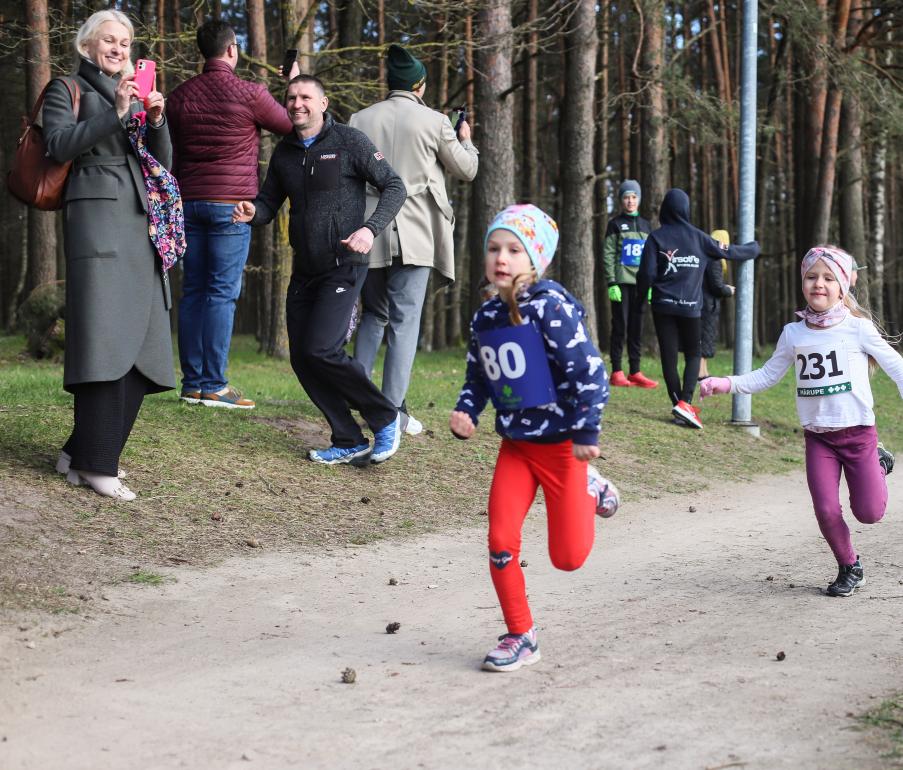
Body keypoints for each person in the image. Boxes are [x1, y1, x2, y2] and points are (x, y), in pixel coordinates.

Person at [697, 246, 903, 597]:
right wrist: (725, 384)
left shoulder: (858, 328)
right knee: (825, 509)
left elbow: (895, 363)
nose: (818, 284)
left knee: (869, 513)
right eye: (811, 277)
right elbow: (767, 375)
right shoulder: (793, 334)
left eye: (827, 277)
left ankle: (879, 464)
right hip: (818, 439)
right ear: (802, 283)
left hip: (858, 435)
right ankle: (850, 567)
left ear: (842, 286)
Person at [449, 205, 616, 672]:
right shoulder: (485, 315)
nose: (501, 257)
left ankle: (591, 486)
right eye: (494, 248)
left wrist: (586, 430)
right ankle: (521, 634)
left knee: (568, 559)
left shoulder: (550, 307)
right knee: (500, 540)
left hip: (565, 450)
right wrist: (467, 410)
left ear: (535, 259)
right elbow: (478, 374)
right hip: (517, 448)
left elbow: (591, 373)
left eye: (514, 249)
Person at [232, 75, 407, 466]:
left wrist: (369, 229)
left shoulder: (349, 142)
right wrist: (252, 213)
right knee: (302, 357)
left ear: (323, 103)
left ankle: (384, 417)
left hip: (344, 264)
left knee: (322, 348)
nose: (297, 104)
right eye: (291, 98)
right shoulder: (285, 153)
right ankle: (346, 437)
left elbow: (394, 186)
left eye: (306, 97)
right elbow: (268, 203)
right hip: (305, 270)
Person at [44, 10, 180, 501]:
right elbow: (58, 145)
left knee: (146, 345)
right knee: (104, 343)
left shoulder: (134, 93)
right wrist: (116, 113)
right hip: (99, 229)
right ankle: (99, 465)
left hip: (144, 228)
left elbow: (161, 164)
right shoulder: (67, 89)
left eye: (125, 42)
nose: (119, 49)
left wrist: (157, 117)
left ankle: (78, 456)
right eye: (108, 41)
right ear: (87, 46)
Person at [348, 45, 479, 436]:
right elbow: (467, 170)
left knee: (372, 316)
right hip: (417, 234)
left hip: (369, 230)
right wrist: (466, 139)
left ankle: (358, 399)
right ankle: (391, 414)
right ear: (420, 85)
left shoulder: (359, 118)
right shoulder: (436, 121)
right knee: (405, 322)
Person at [167, 20, 297, 410]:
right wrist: (291, 85)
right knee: (221, 294)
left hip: (188, 203)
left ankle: (192, 384)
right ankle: (215, 385)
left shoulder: (178, 97)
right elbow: (293, 126)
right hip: (231, 207)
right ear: (232, 50)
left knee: (193, 292)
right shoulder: (251, 94)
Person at [637, 189, 759, 428]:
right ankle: (685, 403)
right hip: (690, 309)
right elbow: (731, 251)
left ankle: (678, 405)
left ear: (664, 210)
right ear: (686, 210)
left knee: (669, 359)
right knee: (694, 354)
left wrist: (638, 304)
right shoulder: (700, 238)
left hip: (662, 306)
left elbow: (645, 274)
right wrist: (753, 248)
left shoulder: (656, 237)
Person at [602, 180, 657, 388]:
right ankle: (617, 371)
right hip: (621, 283)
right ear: (620, 200)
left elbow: (651, 257)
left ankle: (635, 371)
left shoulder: (646, 225)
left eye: (634, 197)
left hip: (641, 285)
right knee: (620, 326)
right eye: (626, 197)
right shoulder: (614, 224)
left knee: (637, 327)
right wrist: (611, 282)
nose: (630, 201)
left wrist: (651, 283)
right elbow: (608, 255)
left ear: (639, 200)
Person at [698, 229, 736, 379]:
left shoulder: (709, 257)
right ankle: (700, 373)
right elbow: (716, 285)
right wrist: (728, 290)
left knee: (707, 338)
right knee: (704, 338)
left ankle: (704, 371)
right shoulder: (714, 259)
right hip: (707, 304)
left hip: (708, 304)